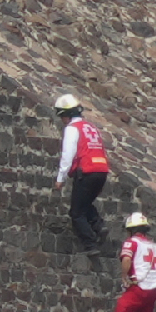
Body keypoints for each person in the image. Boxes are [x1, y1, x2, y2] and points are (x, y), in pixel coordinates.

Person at [52, 94, 110, 253]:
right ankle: (98, 224)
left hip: (86, 171)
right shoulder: (90, 127)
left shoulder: (72, 129)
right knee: (84, 203)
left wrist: (60, 179)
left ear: (66, 114)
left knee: (76, 212)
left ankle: (90, 244)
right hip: (102, 171)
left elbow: (67, 155)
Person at [115, 212, 156, 312]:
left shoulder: (131, 242)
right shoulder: (155, 247)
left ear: (131, 230)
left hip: (139, 287)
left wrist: (124, 276)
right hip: (154, 289)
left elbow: (127, 259)